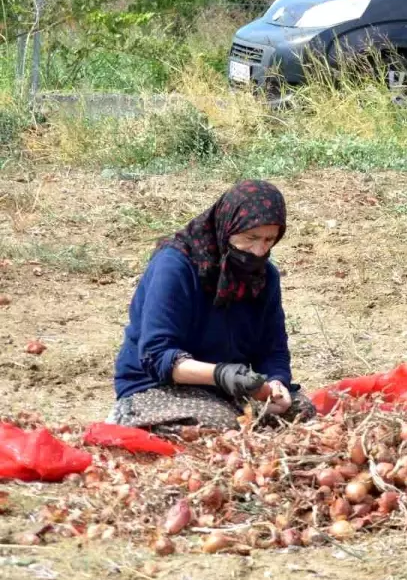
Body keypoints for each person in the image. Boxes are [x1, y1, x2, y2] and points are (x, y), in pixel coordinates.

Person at [107, 180, 313, 432]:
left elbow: (273, 349)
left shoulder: (264, 277)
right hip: (159, 384)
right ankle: (129, 415)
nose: (259, 250)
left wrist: (276, 383)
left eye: (269, 239)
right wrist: (221, 374)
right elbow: (157, 354)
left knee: (302, 411)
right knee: (221, 426)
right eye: (251, 238)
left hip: (228, 388)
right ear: (227, 227)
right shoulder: (176, 267)